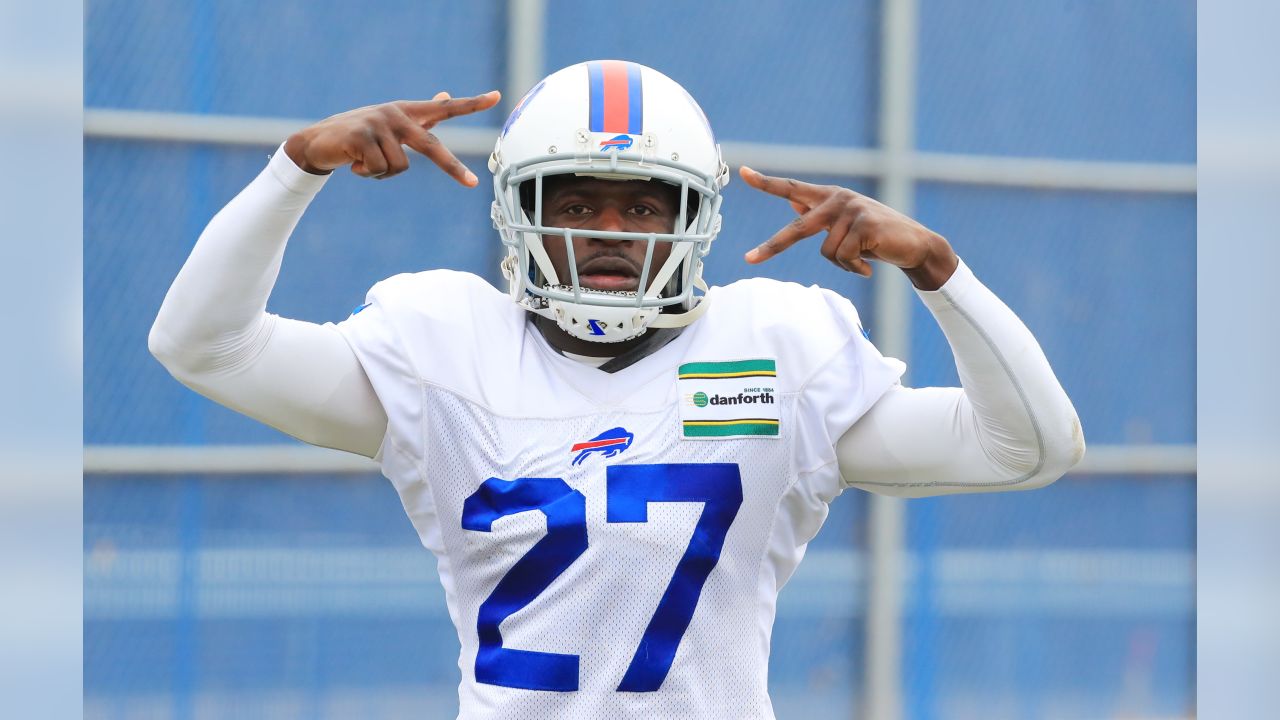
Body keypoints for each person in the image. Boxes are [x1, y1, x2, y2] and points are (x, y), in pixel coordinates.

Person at [150, 60, 1083, 719]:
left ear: (694, 218)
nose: (611, 231)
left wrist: (939, 270)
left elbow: (1029, 448)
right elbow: (202, 345)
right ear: (521, 211)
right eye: (575, 200)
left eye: (642, 205)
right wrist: (297, 167)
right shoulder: (443, 347)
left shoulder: (775, 349)